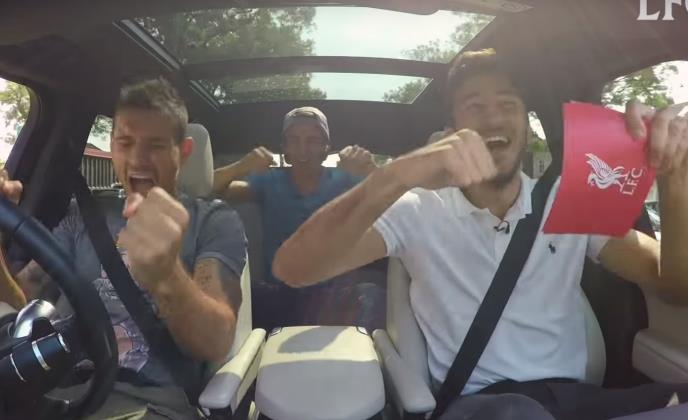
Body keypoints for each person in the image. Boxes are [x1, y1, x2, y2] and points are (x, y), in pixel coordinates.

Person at [273, 49, 688, 419]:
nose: (494, 118)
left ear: (527, 126)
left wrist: (674, 183)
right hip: (483, 405)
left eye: (508, 104)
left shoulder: (570, 199)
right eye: (474, 106)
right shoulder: (417, 207)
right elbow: (294, 268)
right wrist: (397, 175)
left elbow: (672, 285)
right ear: (452, 129)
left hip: (578, 401)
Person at [0, 77, 247, 419]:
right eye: (125, 142)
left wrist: (166, 276)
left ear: (184, 151)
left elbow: (215, 341)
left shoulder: (214, 221)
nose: (137, 159)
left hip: (149, 403)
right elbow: (19, 305)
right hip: (59, 390)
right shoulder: (82, 216)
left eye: (156, 145)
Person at [213, 106, 384, 329]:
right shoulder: (268, 182)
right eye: (294, 140)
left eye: (312, 141)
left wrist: (369, 169)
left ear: (326, 148)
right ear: (284, 148)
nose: (303, 150)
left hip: (336, 297)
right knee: (237, 295)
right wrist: (241, 166)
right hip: (280, 295)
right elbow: (209, 190)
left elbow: (402, 201)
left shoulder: (345, 180)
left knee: (375, 295)